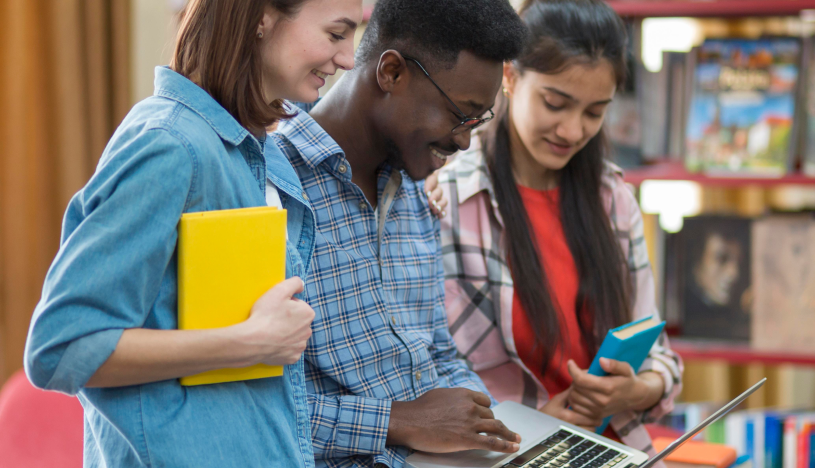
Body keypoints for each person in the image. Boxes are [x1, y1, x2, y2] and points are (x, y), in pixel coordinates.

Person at [24, 0, 361, 466]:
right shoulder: (170, 145)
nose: (347, 58)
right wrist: (249, 342)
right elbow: (61, 348)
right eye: (336, 33)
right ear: (262, 16)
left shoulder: (254, 151)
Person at [270, 0, 526, 466]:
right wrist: (397, 420)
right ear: (391, 72)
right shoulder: (268, 187)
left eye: (479, 121)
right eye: (461, 114)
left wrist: (480, 422)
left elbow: (440, 354)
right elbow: (249, 407)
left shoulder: (415, 195)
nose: (464, 140)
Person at [434, 0, 683, 462]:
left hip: (614, 449)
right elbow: (429, 375)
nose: (572, 130)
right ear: (509, 77)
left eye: (595, 112)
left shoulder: (614, 200)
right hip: (508, 453)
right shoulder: (450, 200)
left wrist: (633, 391)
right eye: (555, 103)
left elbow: (662, 357)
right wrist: (532, 424)